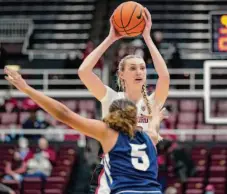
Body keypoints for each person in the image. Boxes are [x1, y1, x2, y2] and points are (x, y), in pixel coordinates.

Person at [5, 67, 164, 194]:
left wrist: (27, 89)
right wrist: (156, 117)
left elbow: (64, 114)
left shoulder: (108, 132)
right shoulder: (149, 137)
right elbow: (154, 128)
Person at [78, 7, 170, 194]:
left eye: (143, 68)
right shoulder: (111, 99)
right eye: (133, 68)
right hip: (114, 175)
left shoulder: (152, 103)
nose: (139, 72)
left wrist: (148, 38)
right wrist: (111, 38)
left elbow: (165, 77)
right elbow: (83, 72)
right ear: (121, 74)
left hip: (143, 176)